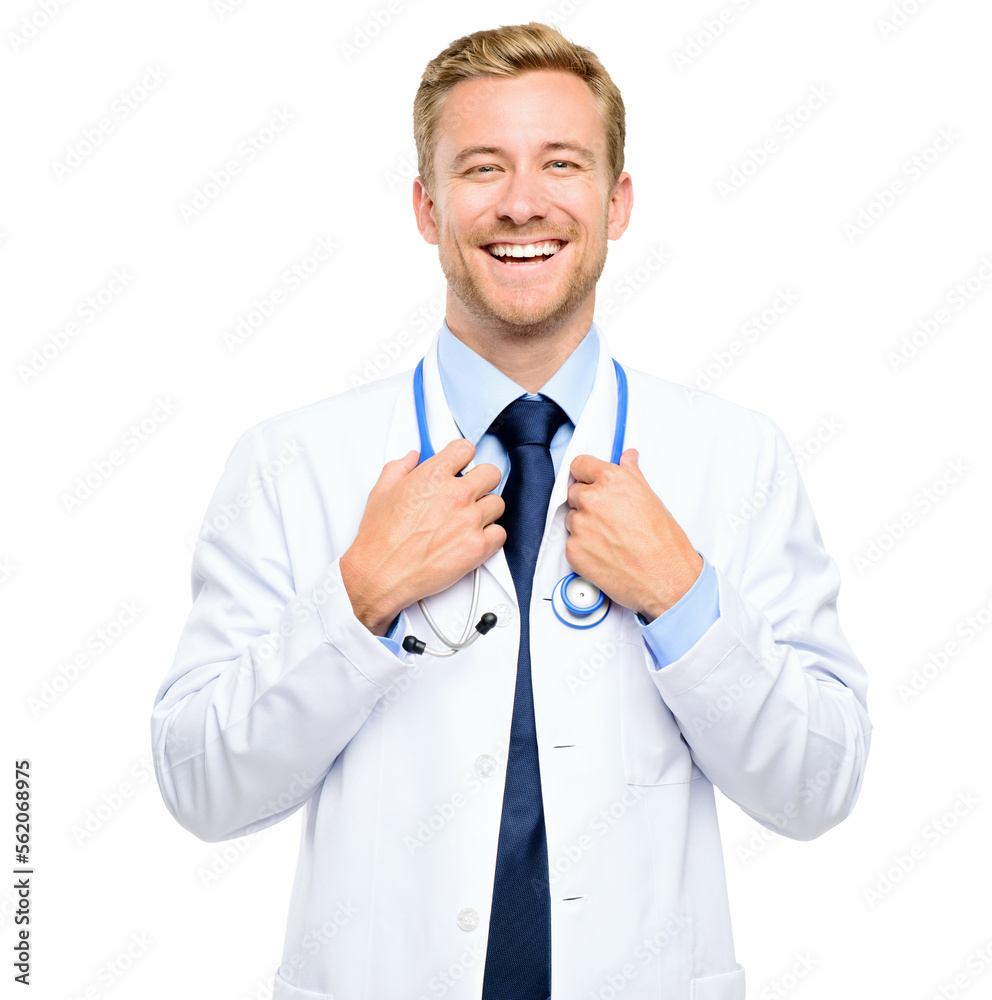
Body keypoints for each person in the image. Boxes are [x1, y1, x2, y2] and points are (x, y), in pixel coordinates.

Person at [150, 21, 871, 1000]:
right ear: (425, 205)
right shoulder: (291, 463)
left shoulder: (734, 456)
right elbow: (201, 786)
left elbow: (813, 786)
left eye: (561, 164)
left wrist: (682, 598)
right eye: (481, 167)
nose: (522, 203)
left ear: (615, 202)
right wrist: (360, 593)